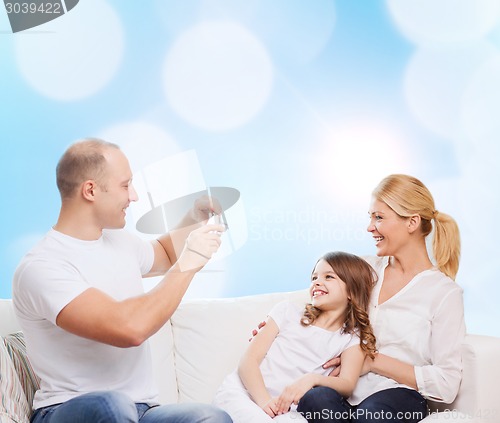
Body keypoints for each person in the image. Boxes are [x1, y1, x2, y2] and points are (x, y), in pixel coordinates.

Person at [12, 139, 232, 423]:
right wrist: (188, 265)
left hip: (141, 411)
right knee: (111, 405)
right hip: (68, 409)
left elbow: (165, 253)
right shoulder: (42, 267)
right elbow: (130, 329)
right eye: (125, 185)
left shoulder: (119, 241)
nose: (135, 196)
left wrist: (194, 217)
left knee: (210, 417)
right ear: (90, 190)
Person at [296, 174, 465, 422]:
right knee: (313, 399)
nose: (369, 227)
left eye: (379, 217)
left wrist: (372, 360)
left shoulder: (443, 293)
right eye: (370, 217)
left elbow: (447, 384)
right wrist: (277, 325)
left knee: (371, 417)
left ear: (412, 222)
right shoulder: (364, 270)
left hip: (397, 395)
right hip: (346, 384)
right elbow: (321, 298)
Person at [213, 251, 378, 423]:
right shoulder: (287, 312)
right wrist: (264, 402)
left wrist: (313, 379)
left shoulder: (352, 338)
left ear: (352, 291)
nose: (317, 282)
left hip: (287, 411)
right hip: (246, 395)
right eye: (314, 278)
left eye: (329, 277)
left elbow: (347, 384)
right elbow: (248, 360)